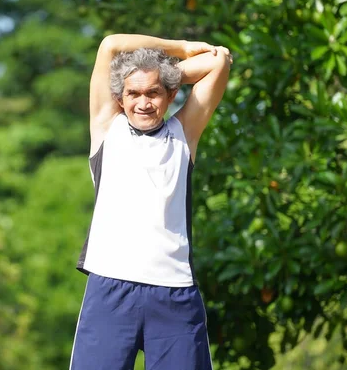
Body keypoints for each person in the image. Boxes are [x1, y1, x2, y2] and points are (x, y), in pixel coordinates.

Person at [70, 34, 232, 370]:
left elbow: (219, 61)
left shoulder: (184, 133)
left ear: (171, 94)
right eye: (133, 93)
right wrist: (181, 49)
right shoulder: (106, 127)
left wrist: (159, 72)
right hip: (110, 289)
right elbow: (110, 45)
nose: (143, 102)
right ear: (119, 97)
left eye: (153, 93)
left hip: (174, 293)